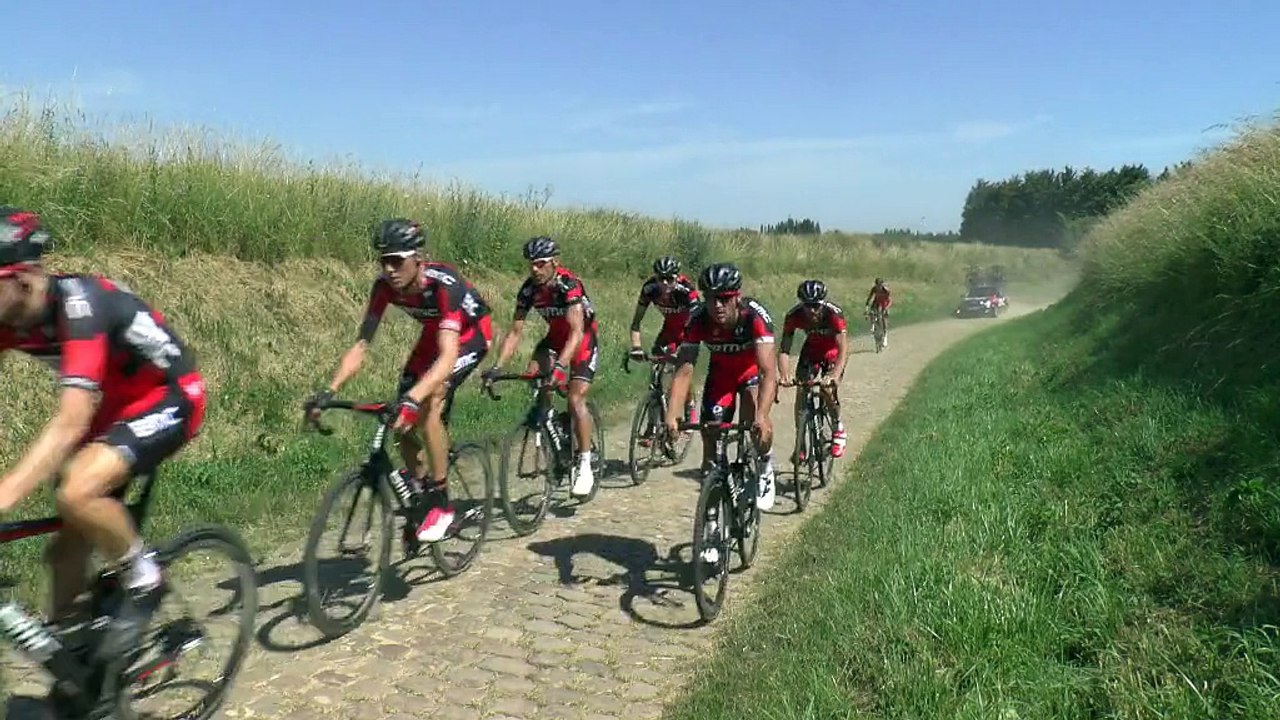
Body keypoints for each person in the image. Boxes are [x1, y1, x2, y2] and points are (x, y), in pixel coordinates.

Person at [0, 206, 207, 660]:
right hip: (113, 406)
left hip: (169, 395)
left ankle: (145, 577)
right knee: (63, 553)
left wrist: (6, 493)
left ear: (23, 279)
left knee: (76, 489)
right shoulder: (9, 317)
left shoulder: (81, 306)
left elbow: (70, 422)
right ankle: (74, 662)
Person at [308, 219, 493, 543]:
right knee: (400, 421)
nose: (389, 269)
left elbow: (449, 355)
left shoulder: (444, 285)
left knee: (429, 402)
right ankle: (420, 493)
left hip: (470, 336)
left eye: (396, 261)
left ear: (418, 259)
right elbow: (361, 345)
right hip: (433, 335)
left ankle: (441, 503)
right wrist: (329, 390)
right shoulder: (383, 287)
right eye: (383, 261)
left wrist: (415, 397)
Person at [483, 236, 600, 497]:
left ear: (554, 262)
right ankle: (553, 434)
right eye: (531, 264)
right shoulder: (529, 290)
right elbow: (515, 332)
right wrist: (497, 367)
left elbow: (577, 331)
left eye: (540, 264)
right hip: (554, 340)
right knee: (533, 375)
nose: (535, 269)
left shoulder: (569, 285)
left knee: (575, 398)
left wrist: (561, 366)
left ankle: (584, 463)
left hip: (581, 342)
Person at [664, 262, 779, 511]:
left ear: (737, 297)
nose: (717, 305)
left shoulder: (755, 317)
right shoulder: (698, 319)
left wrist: (761, 415)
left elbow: (768, 372)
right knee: (710, 435)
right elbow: (684, 370)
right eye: (710, 298)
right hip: (721, 377)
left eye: (724, 298)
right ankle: (712, 510)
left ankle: (764, 464)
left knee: (755, 419)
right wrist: (672, 413)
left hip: (751, 374)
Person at [627, 255, 702, 447]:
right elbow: (636, 323)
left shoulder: (687, 290)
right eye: (661, 278)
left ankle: (690, 407)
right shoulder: (649, 289)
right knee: (655, 377)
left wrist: (684, 349)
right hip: (668, 331)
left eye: (670, 279)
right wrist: (636, 347)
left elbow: (697, 321)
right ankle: (652, 427)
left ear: (678, 277)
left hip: (688, 332)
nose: (665, 283)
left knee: (682, 371)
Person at [778, 279, 849, 460]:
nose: (811, 310)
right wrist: (784, 374)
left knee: (827, 389)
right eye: (807, 306)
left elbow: (843, 348)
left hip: (833, 353)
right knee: (801, 393)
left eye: (816, 306)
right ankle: (800, 443)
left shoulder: (833, 313)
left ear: (822, 303)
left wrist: (834, 374)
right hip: (811, 352)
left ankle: (837, 427)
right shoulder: (793, 316)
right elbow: (784, 349)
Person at [864, 277, 892, 347]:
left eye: (879, 285)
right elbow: (869, 298)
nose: (878, 287)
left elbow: (889, 300)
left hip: (884, 304)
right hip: (876, 303)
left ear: (882, 285)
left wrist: (886, 308)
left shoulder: (886, 290)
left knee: (884, 319)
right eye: (877, 285)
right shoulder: (874, 289)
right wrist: (866, 308)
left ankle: (885, 336)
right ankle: (873, 325)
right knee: (872, 312)